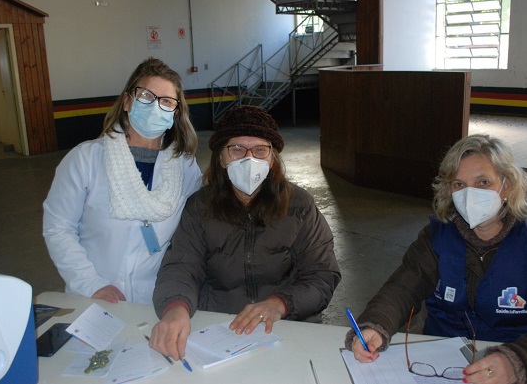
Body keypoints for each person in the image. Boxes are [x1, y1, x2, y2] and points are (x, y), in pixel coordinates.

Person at [345, 134, 527, 384]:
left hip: (516, 363)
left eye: (483, 182)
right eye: (459, 184)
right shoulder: (437, 236)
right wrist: (375, 325)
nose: (470, 194)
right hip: (438, 363)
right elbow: (403, 288)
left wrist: (519, 361)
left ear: (507, 186)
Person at [149, 105, 341, 361]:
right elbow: (181, 266)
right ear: (221, 158)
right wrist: (176, 307)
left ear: (272, 159)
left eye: (260, 149)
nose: (249, 158)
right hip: (221, 328)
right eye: (237, 148)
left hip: (287, 325)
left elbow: (322, 274)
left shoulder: (300, 206)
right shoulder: (199, 208)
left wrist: (280, 304)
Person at [43, 57, 202, 304]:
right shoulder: (85, 159)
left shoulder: (185, 167)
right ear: (127, 101)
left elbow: (194, 231)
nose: (156, 106)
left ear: (175, 113)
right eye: (146, 96)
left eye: (166, 101)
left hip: (156, 297)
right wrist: (90, 284)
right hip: (94, 295)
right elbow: (58, 228)